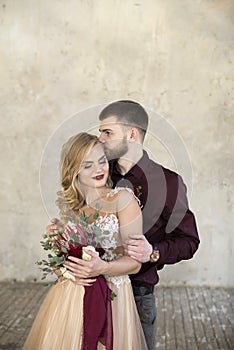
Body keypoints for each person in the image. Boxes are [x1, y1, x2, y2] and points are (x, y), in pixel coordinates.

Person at [61, 100, 200, 350]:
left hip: (136, 295)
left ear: (132, 134)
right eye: (100, 131)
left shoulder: (168, 183)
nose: (100, 138)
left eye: (107, 132)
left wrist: (153, 251)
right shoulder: (96, 168)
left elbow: (189, 241)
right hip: (89, 289)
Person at [23, 132, 148, 350]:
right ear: (74, 170)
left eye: (101, 161)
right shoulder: (72, 207)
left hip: (112, 298)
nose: (99, 169)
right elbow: (61, 267)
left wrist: (103, 267)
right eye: (87, 165)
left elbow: (136, 263)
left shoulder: (123, 200)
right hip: (70, 299)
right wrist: (59, 249)